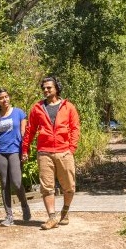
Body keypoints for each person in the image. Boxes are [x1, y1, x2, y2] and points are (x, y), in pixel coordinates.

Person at [21, 76, 80, 230]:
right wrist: (25, 149)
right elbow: (30, 130)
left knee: (69, 186)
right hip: (44, 152)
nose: (45, 90)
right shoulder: (37, 108)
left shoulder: (68, 107)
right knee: (47, 187)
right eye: (44, 88)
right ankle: (52, 218)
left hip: (64, 152)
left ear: (56, 88)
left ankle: (65, 211)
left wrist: (71, 149)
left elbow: (75, 128)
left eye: (49, 87)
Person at [0, 88, 32, 227]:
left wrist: (25, 151)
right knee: (4, 183)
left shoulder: (19, 113)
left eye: (6, 96)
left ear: (9, 97)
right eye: (1, 98)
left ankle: (24, 205)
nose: (5, 100)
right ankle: (9, 216)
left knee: (17, 182)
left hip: (15, 151)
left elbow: (24, 134)